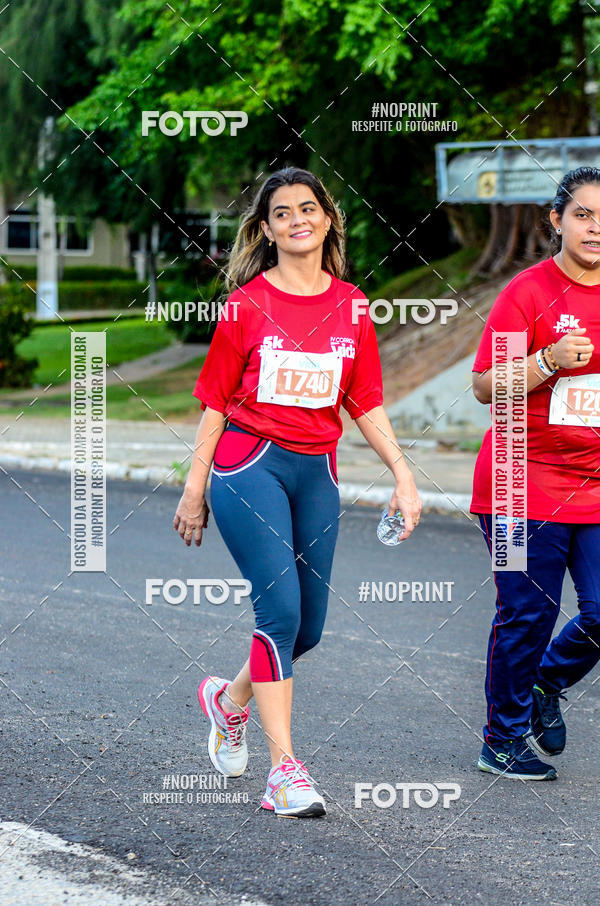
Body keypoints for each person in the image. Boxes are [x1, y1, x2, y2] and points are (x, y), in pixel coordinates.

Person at [173, 166, 422, 817]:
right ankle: (284, 771)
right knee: (278, 614)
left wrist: (402, 473)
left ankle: (227, 704)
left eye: (308, 208)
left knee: (306, 628)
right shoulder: (246, 305)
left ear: (328, 219)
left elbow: (363, 401)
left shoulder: (354, 306)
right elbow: (214, 404)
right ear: (266, 229)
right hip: (246, 466)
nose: (297, 220)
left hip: (318, 472)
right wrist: (194, 487)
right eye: (282, 213)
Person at [471, 166, 600, 780]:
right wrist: (546, 360)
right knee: (527, 612)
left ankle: (546, 681)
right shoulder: (526, 293)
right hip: (520, 482)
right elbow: (485, 387)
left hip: (596, 484)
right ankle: (501, 740)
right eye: (583, 214)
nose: (596, 227)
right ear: (557, 220)